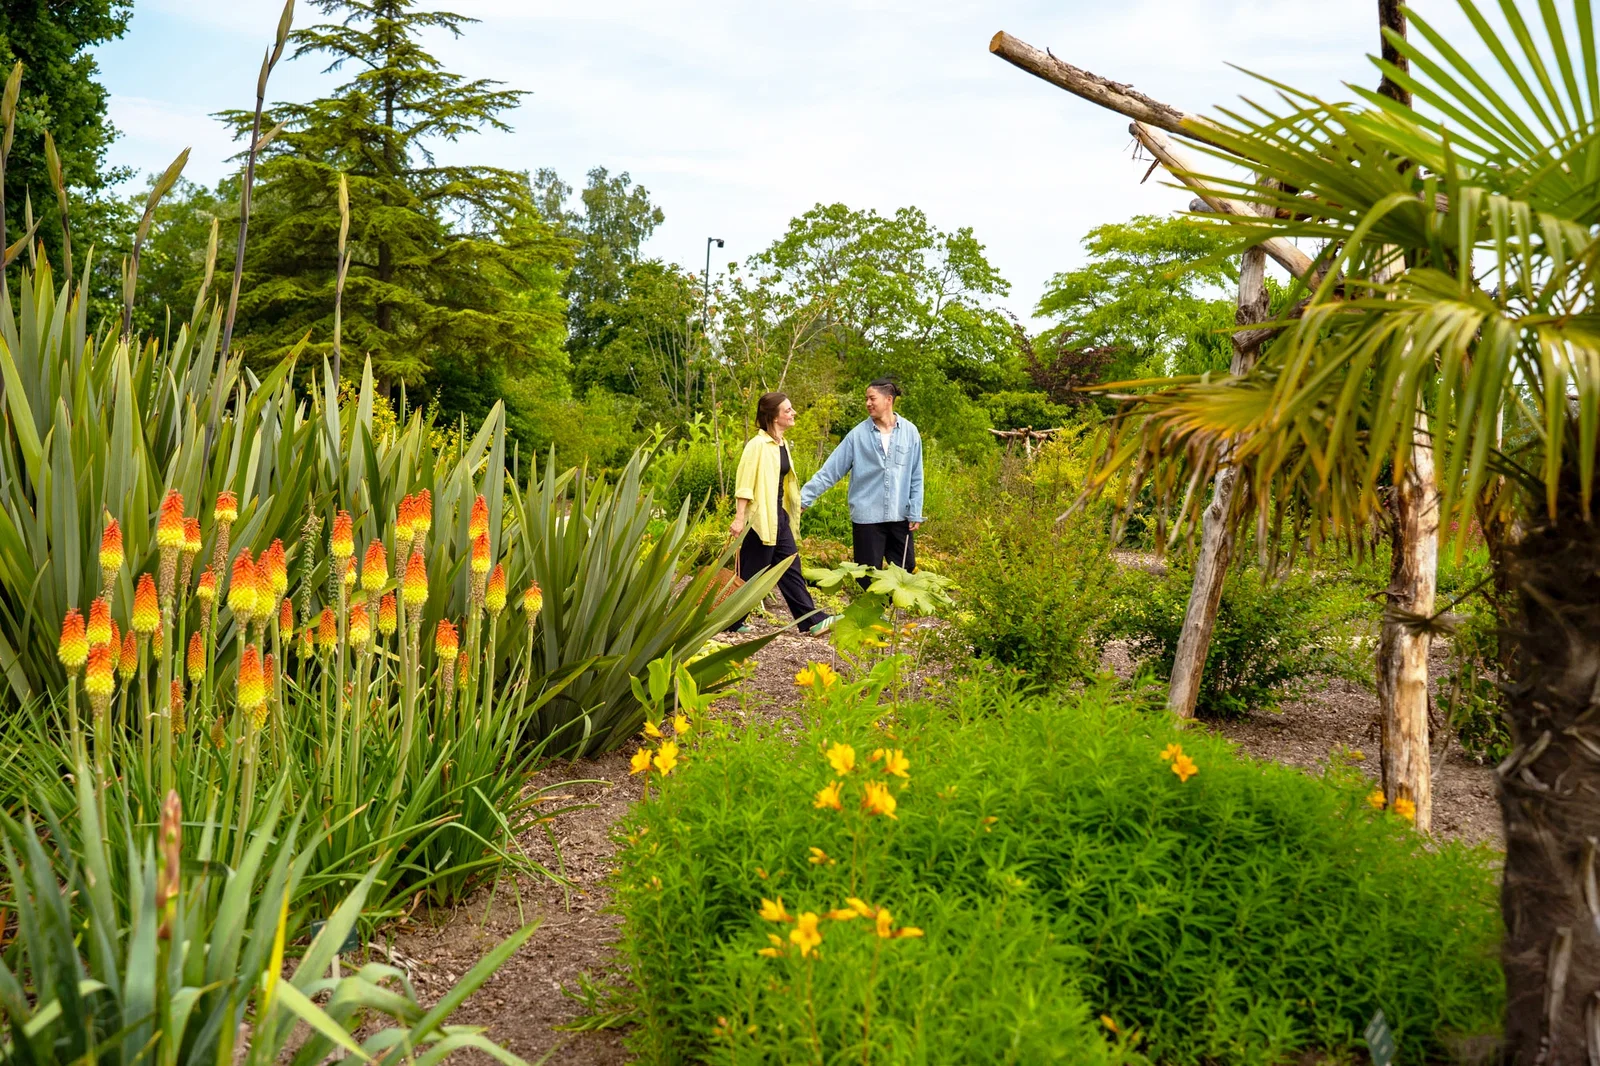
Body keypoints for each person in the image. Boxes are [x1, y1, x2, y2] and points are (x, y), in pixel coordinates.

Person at [727, 392, 832, 634]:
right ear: (774, 416)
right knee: (751, 574)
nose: (793, 413)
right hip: (759, 519)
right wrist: (740, 518)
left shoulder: (781, 444)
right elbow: (744, 484)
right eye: (788, 410)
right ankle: (728, 621)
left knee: (790, 567)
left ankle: (811, 621)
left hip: (778, 516)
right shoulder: (757, 446)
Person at [800, 378, 924, 576]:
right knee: (866, 576)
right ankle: (875, 607)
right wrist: (803, 499)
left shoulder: (910, 432)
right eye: (866, 399)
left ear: (888, 400)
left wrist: (916, 510)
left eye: (872, 398)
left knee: (904, 573)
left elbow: (916, 475)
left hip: (900, 516)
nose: (867, 403)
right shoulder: (857, 435)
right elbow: (830, 471)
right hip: (867, 519)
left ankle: (890, 607)